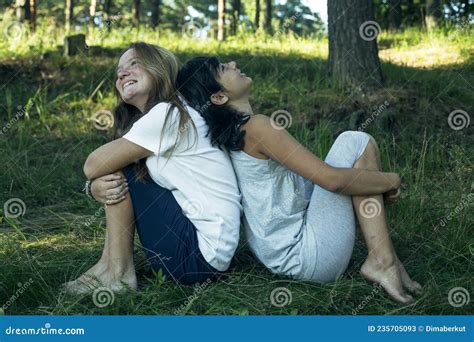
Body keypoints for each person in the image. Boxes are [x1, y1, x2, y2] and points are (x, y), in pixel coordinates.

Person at [176, 56, 423, 304]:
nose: (231, 63)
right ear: (218, 98)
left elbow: (313, 183)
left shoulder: (235, 136)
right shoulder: (257, 128)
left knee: (354, 163)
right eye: (222, 68)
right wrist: (391, 179)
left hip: (281, 256)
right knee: (355, 142)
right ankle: (382, 261)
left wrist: (370, 183)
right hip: (307, 256)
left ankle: (386, 256)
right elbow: (332, 180)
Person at [63, 44, 242, 293]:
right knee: (120, 168)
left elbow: (93, 164)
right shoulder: (173, 112)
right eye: (119, 71)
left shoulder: (168, 114)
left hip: (197, 258)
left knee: (116, 170)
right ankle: (107, 266)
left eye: (134, 63)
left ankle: (118, 274)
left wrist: (93, 185)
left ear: (160, 68)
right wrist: (93, 187)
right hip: (210, 255)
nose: (122, 73)